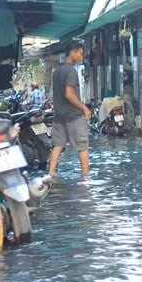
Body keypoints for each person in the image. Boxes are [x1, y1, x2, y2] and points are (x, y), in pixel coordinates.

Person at [48, 41, 92, 179]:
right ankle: (85, 176)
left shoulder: (57, 71)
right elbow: (69, 94)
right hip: (73, 116)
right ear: (72, 52)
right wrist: (84, 108)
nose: (81, 55)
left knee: (58, 145)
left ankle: (51, 173)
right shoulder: (71, 71)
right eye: (80, 52)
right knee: (82, 147)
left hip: (59, 116)